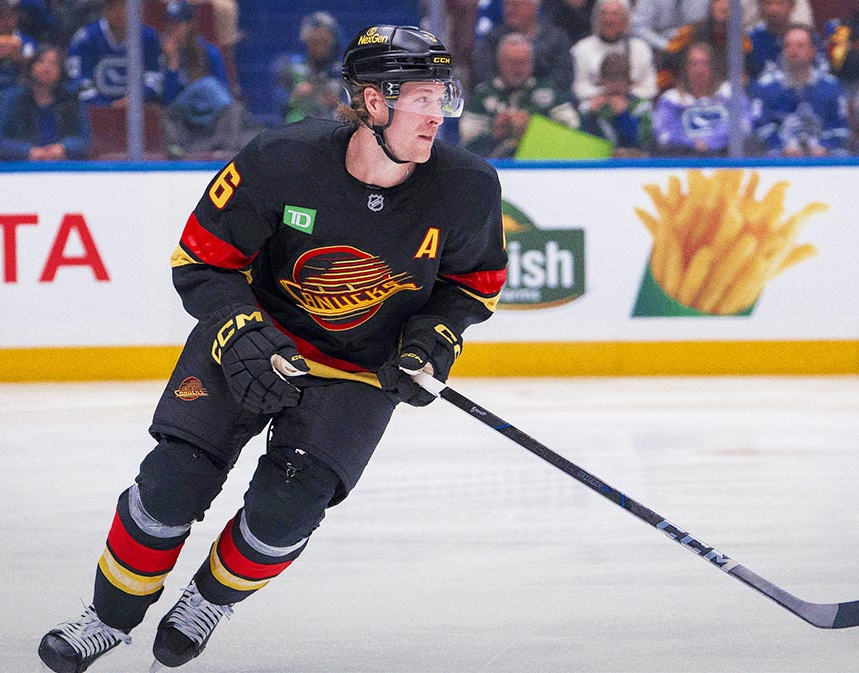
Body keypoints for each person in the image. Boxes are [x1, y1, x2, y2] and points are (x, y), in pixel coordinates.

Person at [37, 24, 507, 673]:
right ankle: (108, 618)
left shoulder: (468, 187)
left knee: (287, 509)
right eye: (422, 98)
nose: (437, 115)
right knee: (172, 483)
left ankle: (209, 599)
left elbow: (473, 284)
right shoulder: (281, 159)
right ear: (373, 102)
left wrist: (433, 339)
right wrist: (240, 330)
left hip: (360, 366)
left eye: (441, 96)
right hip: (255, 336)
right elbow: (200, 261)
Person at [461, 32, 581, 157]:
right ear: (499, 62)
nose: (517, 68)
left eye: (523, 62)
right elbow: (467, 140)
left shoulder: (549, 91)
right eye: (512, 62)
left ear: (532, 63)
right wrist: (495, 133)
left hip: (541, 165)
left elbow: (574, 130)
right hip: (495, 165)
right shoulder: (484, 94)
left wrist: (535, 130)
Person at [750, 24, 850, 155]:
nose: (793, 51)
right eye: (788, 46)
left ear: (813, 50)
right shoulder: (766, 86)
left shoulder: (831, 86)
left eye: (800, 46)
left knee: (842, 155)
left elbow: (840, 126)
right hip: (779, 158)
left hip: (824, 157)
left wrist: (824, 147)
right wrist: (782, 147)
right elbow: (761, 126)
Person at [0, 45, 91, 161]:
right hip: (22, 167)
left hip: (63, 166)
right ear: (31, 67)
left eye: (53, 63)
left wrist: (63, 148)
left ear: (61, 70)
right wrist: (28, 151)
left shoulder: (71, 100)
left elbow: (84, 138)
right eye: (41, 61)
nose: (47, 68)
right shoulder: (13, 99)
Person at [653, 41, 750, 155]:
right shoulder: (671, 100)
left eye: (705, 63)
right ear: (685, 67)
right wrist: (692, 144)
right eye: (694, 63)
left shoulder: (729, 94)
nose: (699, 69)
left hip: (725, 158)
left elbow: (744, 125)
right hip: (684, 159)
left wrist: (710, 142)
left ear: (713, 67)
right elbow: (664, 134)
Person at [66, 0, 163, 106]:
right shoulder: (86, 38)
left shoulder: (148, 37)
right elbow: (79, 79)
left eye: (124, 6)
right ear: (104, 9)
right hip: (95, 112)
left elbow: (155, 77)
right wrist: (104, 105)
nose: (119, 12)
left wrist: (135, 99)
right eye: (113, 6)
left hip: (139, 110)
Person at [471, 0, 576, 90]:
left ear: (534, 7)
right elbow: (483, 74)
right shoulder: (491, 39)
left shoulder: (555, 39)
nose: (510, 10)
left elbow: (562, 76)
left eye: (516, 5)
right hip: (499, 99)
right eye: (507, 5)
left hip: (545, 100)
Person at [571, 0, 658, 105]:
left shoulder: (640, 48)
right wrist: (608, 96)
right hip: (595, 106)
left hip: (633, 106)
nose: (609, 20)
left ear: (626, 20)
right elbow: (579, 87)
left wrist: (624, 98)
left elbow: (650, 87)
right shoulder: (582, 49)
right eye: (604, 13)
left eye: (615, 14)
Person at [273, 10, 344, 124]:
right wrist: (295, 95)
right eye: (315, 42)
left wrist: (338, 102)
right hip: (298, 125)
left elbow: (356, 106)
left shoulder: (342, 70)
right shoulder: (292, 66)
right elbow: (279, 100)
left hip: (332, 126)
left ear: (332, 41)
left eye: (324, 41)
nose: (319, 47)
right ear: (306, 41)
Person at [578, 51, 653, 154]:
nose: (616, 85)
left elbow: (644, 142)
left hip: (632, 162)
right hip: (597, 160)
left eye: (620, 79)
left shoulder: (640, 106)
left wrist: (623, 115)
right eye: (610, 79)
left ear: (628, 80)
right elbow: (579, 139)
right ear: (602, 79)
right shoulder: (589, 106)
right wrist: (590, 116)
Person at [161, 0, 230, 104]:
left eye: (177, 25)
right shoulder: (160, 52)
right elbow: (169, 101)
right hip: (178, 113)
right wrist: (172, 62)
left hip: (206, 110)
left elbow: (222, 92)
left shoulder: (209, 52)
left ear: (190, 25)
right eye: (169, 24)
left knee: (209, 84)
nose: (172, 29)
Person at [629, 0, 709, 53]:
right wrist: (665, 45)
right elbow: (637, 27)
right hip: (658, 47)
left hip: (692, 43)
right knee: (638, 46)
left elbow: (704, 21)